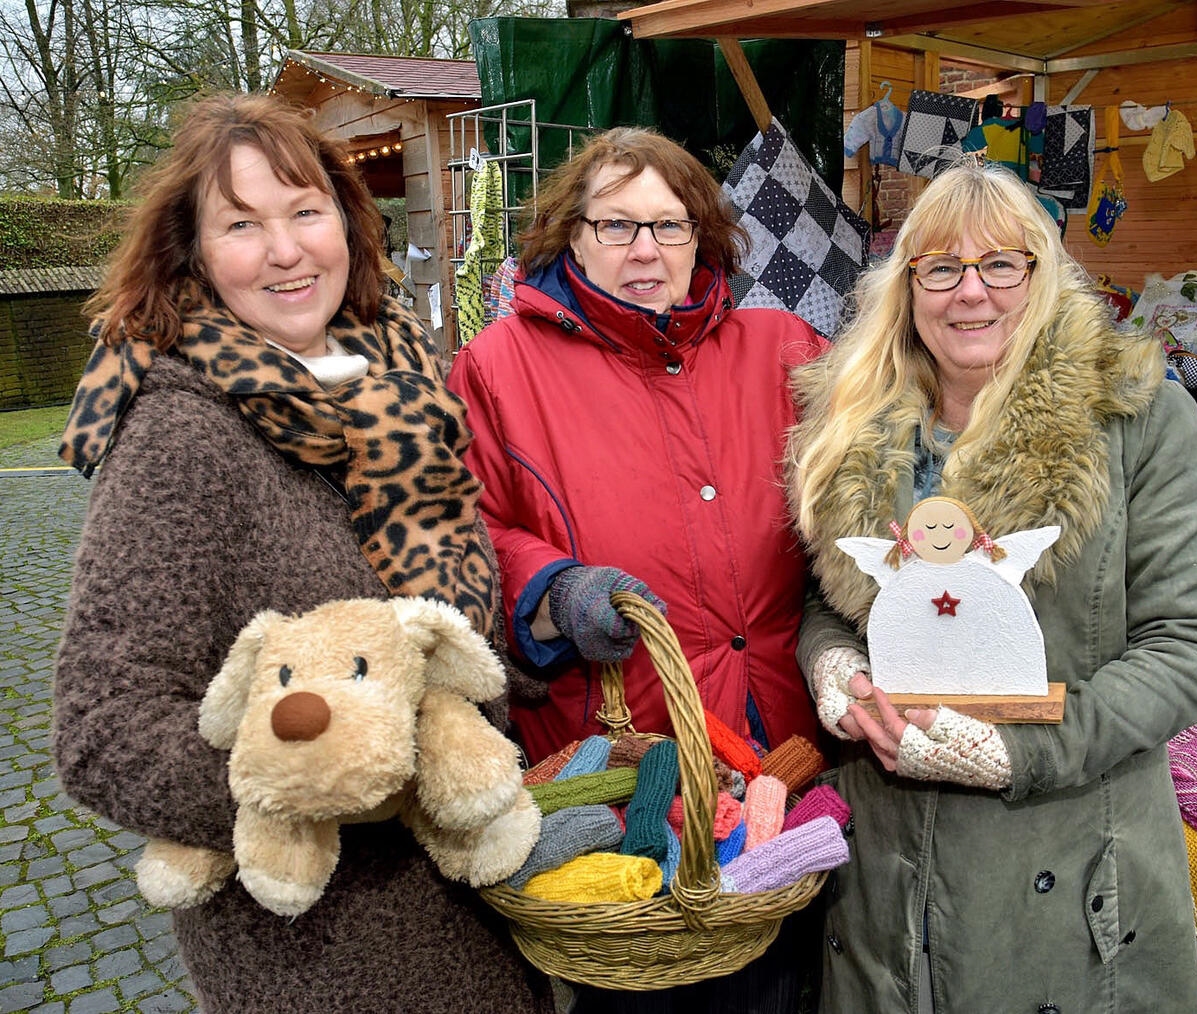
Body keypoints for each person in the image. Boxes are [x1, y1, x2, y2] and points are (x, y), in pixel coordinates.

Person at [52, 93, 551, 1014]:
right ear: (193, 252)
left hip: (481, 921)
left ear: (349, 227)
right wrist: (348, 783)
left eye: (305, 212)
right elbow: (102, 729)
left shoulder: (406, 387)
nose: (285, 251)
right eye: (242, 224)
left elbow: (435, 630)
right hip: (315, 958)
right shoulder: (180, 437)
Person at [787, 160, 1197, 1014]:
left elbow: (1195, 643)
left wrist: (1022, 751)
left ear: (1041, 274)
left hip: (1063, 865)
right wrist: (834, 670)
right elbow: (830, 600)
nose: (972, 294)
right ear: (907, 284)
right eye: (942, 267)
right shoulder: (851, 423)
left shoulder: (1134, 419)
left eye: (1002, 265)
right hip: (886, 873)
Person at [446, 126, 830, 1013]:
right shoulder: (501, 367)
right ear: (571, 235)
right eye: (616, 226)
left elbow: (860, 494)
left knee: (788, 981)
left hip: (788, 745)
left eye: (672, 224)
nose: (647, 250)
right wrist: (552, 586)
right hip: (625, 765)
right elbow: (467, 527)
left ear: (707, 236)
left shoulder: (784, 348)